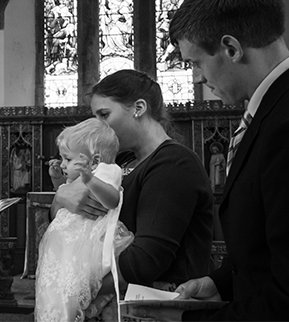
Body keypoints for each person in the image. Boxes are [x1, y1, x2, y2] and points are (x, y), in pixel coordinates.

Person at [130, 0, 289, 321]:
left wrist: (185, 320)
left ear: (231, 49)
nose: (198, 78)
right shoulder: (274, 107)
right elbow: (273, 254)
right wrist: (221, 283)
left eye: (195, 62)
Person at [52, 69, 214, 320]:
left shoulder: (174, 163)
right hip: (110, 296)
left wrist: (72, 289)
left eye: (104, 114)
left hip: (155, 304)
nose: (97, 125)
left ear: (138, 108)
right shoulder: (119, 162)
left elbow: (145, 260)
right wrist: (61, 197)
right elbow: (67, 217)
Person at [35, 118, 134, 321]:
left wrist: (90, 179)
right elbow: (65, 197)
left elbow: (113, 199)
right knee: (56, 285)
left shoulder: (107, 171)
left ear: (95, 161)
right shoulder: (82, 174)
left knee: (74, 286)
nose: (63, 164)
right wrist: (57, 180)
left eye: (68, 159)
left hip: (90, 239)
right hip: (70, 239)